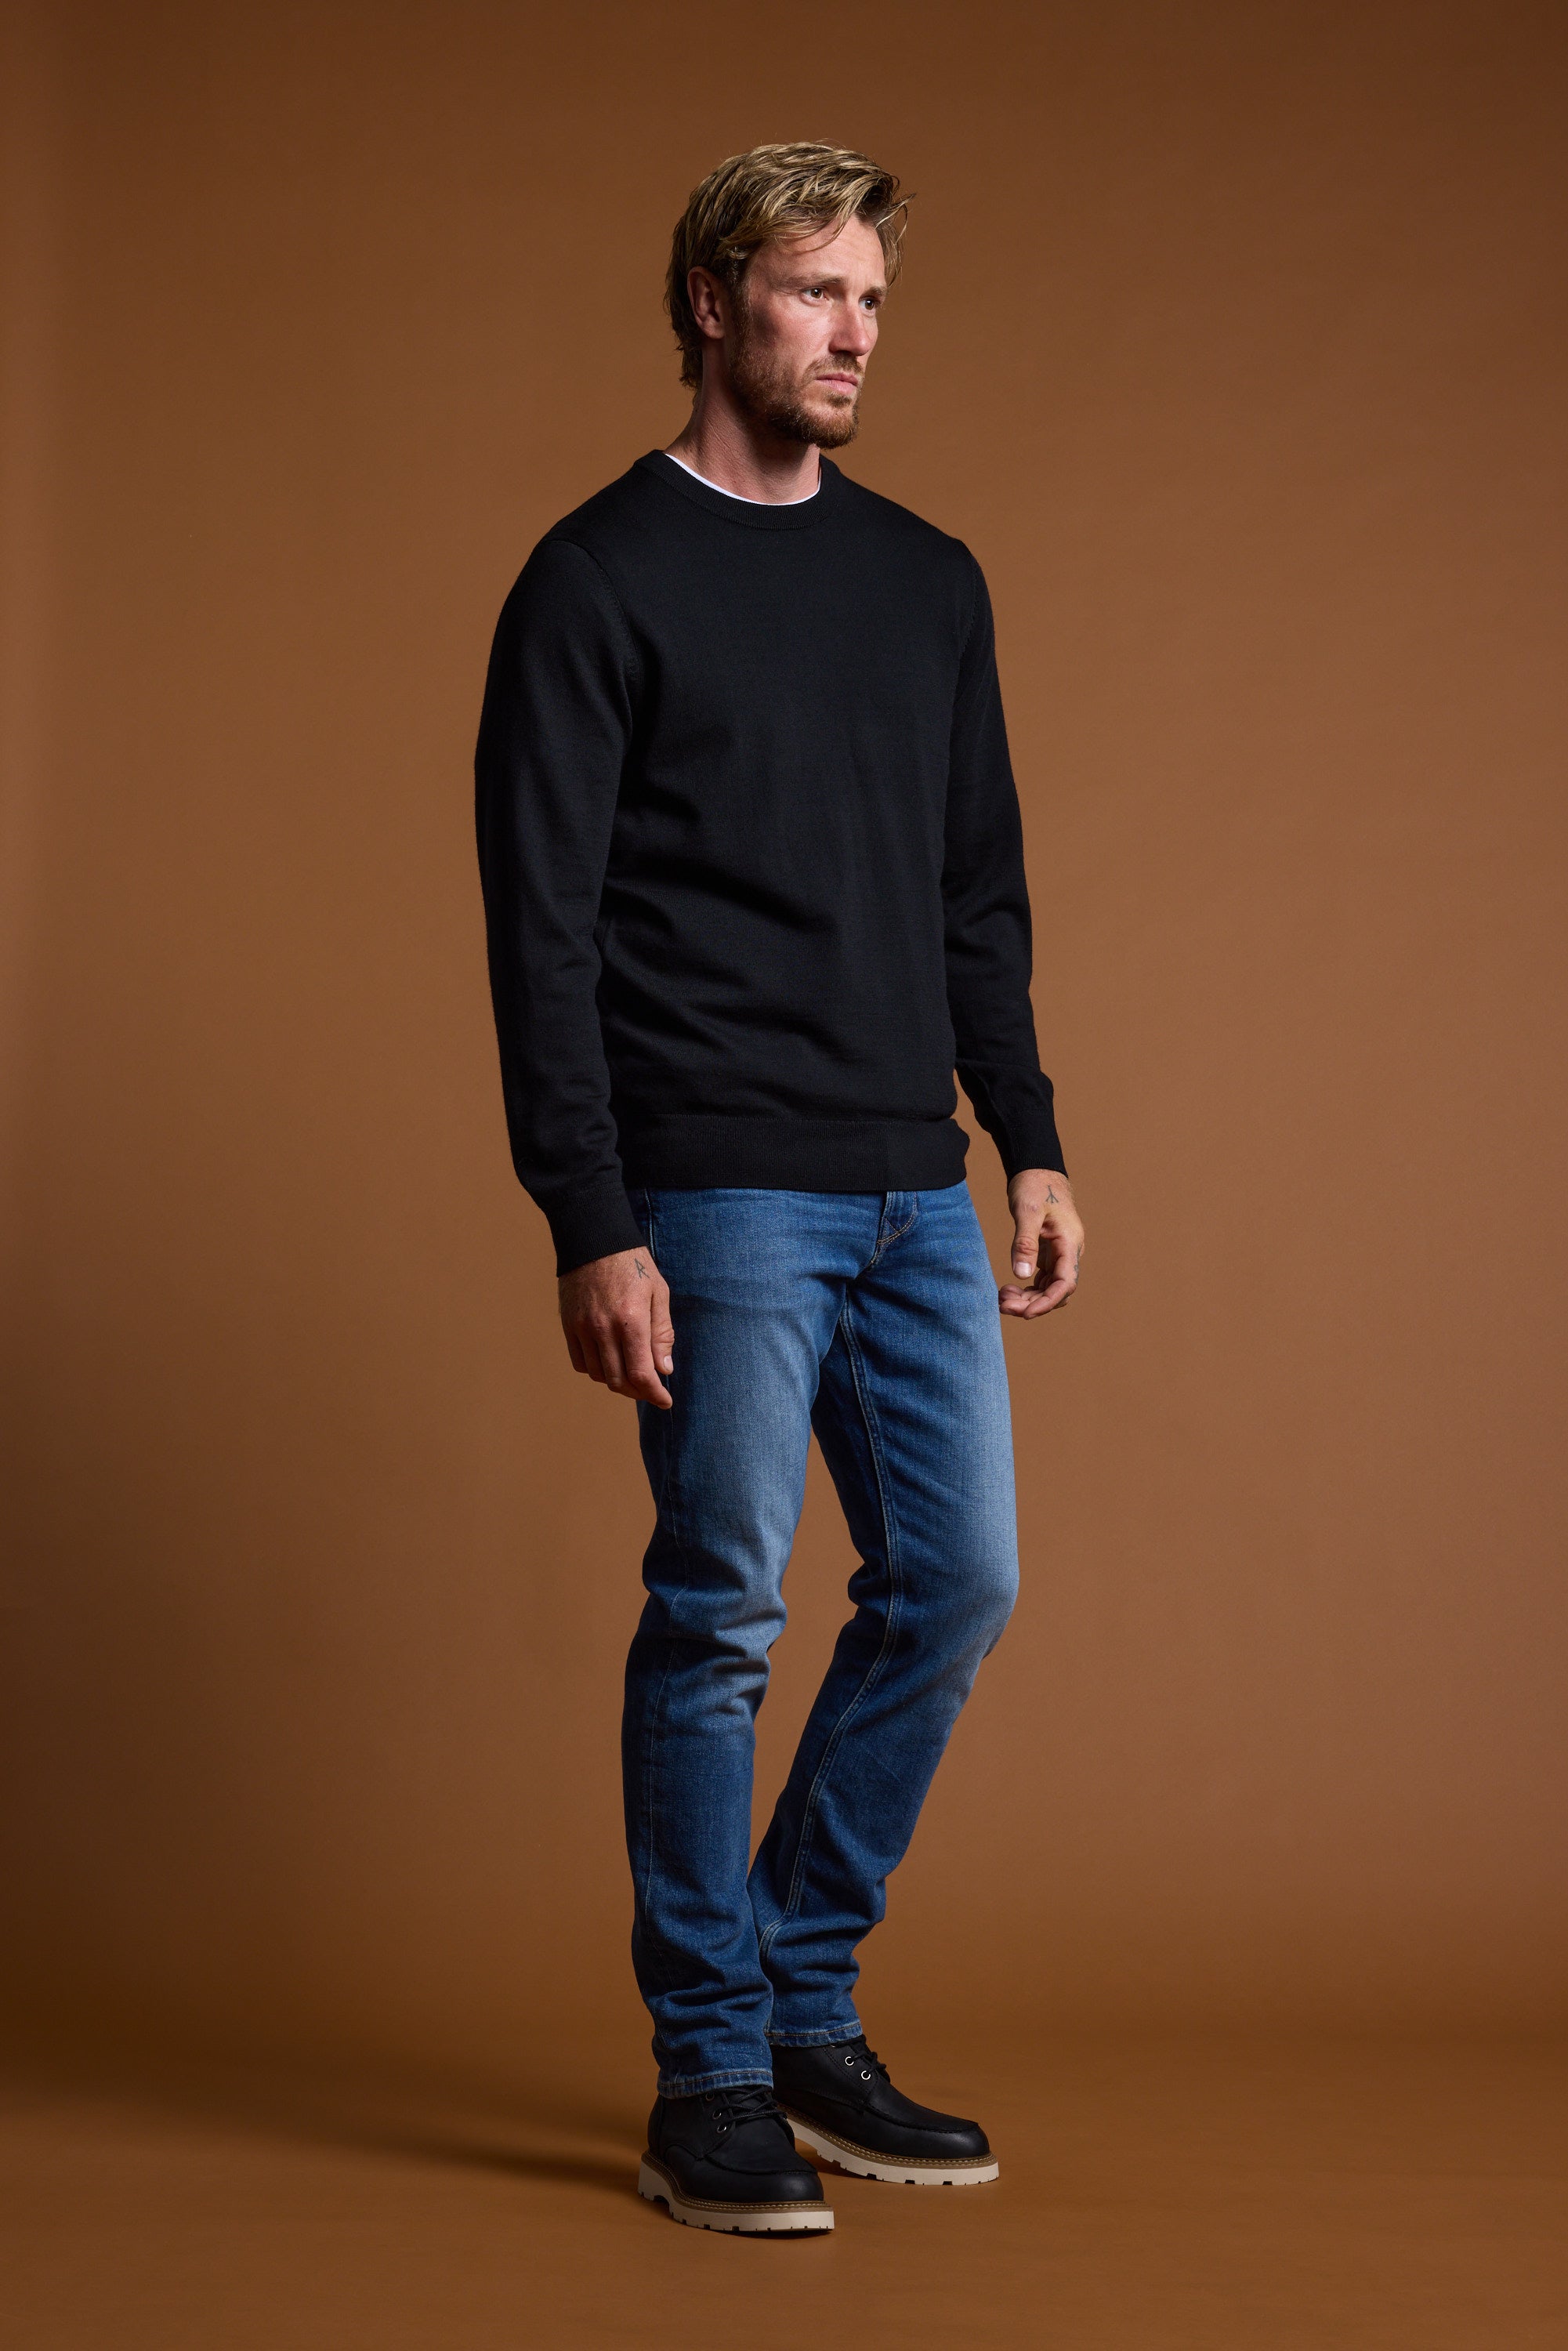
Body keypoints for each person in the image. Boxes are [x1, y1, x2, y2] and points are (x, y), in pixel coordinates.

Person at [474, 142, 1084, 2237]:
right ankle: (708, 2072)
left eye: (873, 301)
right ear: (714, 301)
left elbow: (973, 891)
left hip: (912, 1181)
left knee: (956, 1584)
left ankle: (803, 2004)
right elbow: (537, 929)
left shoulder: (927, 581)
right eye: (817, 293)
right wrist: (592, 1216)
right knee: (719, 1612)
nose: (851, 334)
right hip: (716, 1189)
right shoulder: (595, 579)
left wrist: (1028, 1133)